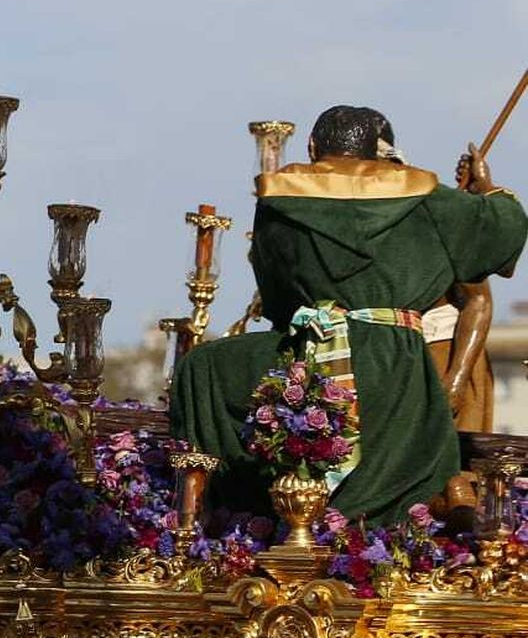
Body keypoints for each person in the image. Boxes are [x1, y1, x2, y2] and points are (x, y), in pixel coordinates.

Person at [170, 105, 526, 524]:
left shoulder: (281, 195)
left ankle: (215, 512)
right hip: (400, 367)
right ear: (376, 153)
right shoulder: (424, 195)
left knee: (202, 367)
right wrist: (487, 190)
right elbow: (503, 236)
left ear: (312, 146)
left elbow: (277, 296)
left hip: (311, 351)